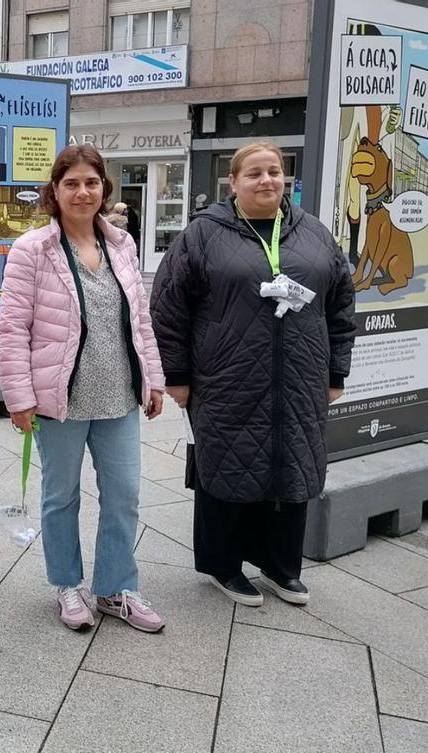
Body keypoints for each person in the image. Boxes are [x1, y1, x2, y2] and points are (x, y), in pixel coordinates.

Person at [149, 141, 356, 608]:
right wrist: (176, 375)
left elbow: (341, 306)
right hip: (227, 377)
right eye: (255, 174)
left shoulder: (315, 234)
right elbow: (168, 308)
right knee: (228, 467)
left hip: (300, 378)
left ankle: (282, 565)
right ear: (234, 182)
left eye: (275, 172)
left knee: (292, 467)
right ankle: (224, 565)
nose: (267, 181)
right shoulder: (203, 235)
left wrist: (335, 371)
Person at [0, 144, 167, 634]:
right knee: (61, 495)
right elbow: (12, 328)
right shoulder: (34, 248)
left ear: (104, 189)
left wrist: (152, 377)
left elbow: (140, 320)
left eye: (91, 182)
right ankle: (67, 585)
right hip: (60, 398)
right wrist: (20, 397)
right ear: (55, 191)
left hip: (118, 393)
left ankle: (114, 588)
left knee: (124, 494)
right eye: (71, 183)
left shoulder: (121, 245)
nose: (82, 192)